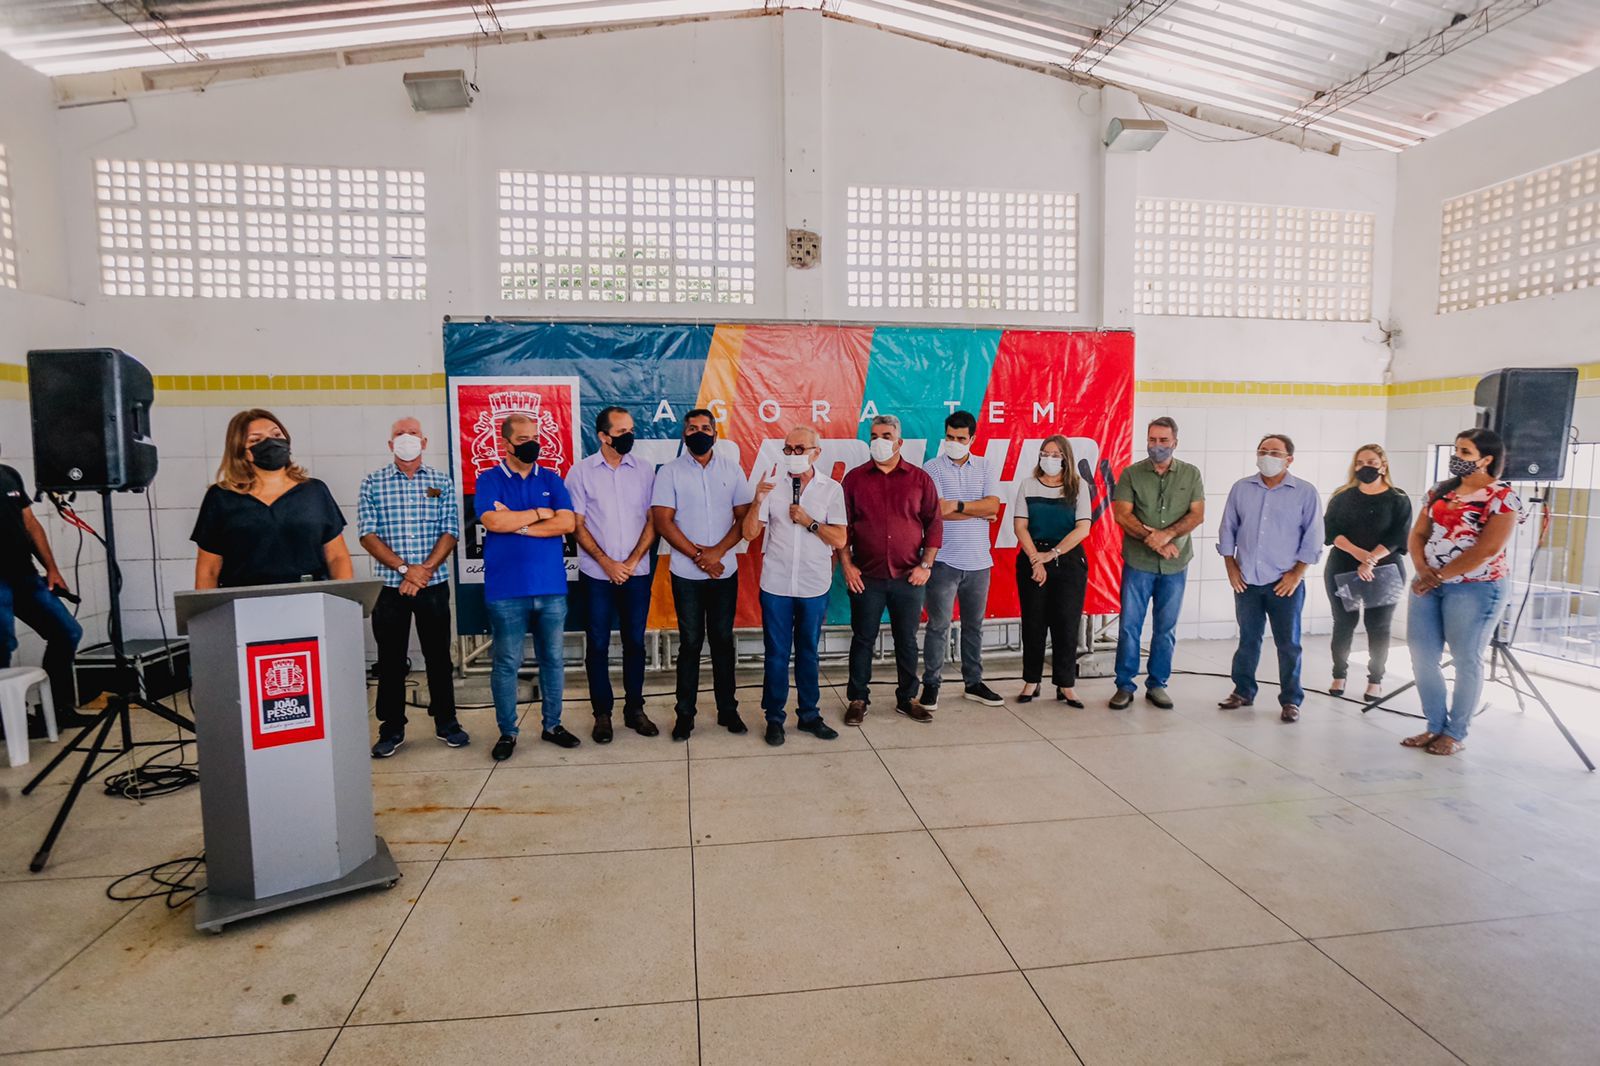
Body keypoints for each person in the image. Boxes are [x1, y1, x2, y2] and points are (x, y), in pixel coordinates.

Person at [1404, 428, 1520, 757]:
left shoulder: (1502, 496)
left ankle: (1455, 732)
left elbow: (1487, 549)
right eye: (1456, 450)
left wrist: (1439, 576)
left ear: (1486, 459)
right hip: (1428, 584)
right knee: (1422, 656)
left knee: (1466, 658)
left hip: (1476, 588)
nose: (1457, 457)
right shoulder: (1440, 491)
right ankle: (1434, 725)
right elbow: (1418, 534)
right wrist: (1423, 570)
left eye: (1465, 452)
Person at [359, 418, 466, 758]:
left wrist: (424, 570)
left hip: (433, 584)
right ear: (391, 444)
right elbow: (367, 535)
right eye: (400, 435)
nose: (407, 439)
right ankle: (391, 728)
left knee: (439, 656)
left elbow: (450, 531)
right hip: (390, 587)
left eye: (413, 434)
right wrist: (406, 570)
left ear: (424, 441)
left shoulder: (440, 482)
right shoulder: (372, 483)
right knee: (390, 660)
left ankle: (447, 722)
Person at [475, 413, 579, 761]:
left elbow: (566, 523)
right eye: (523, 439)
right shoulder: (489, 479)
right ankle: (508, 732)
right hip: (506, 590)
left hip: (551, 588)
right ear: (505, 443)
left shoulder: (551, 478)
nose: (532, 444)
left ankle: (553, 725)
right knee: (507, 663)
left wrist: (517, 524)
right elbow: (492, 520)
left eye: (535, 437)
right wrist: (538, 512)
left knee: (553, 660)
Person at [651, 408, 754, 741]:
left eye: (705, 428)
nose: (699, 433)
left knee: (723, 641)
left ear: (715, 434)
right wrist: (699, 557)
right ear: (684, 434)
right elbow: (663, 521)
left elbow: (743, 517)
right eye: (693, 428)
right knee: (691, 643)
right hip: (686, 573)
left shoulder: (731, 469)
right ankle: (685, 715)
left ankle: (728, 711)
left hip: (724, 571)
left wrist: (716, 553)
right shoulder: (670, 472)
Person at [742, 426, 846, 746]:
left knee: (808, 652)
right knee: (776, 654)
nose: (793, 454)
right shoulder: (772, 486)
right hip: (777, 584)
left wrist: (809, 521)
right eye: (788, 449)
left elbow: (840, 538)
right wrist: (757, 500)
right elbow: (749, 533)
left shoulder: (831, 489)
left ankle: (809, 715)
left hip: (814, 584)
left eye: (800, 449)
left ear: (816, 452)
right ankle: (774, 718)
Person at [840, 415, 941, 726]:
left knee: (907, 640)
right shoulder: (854, 479)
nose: (878, 441)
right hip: (865, 576)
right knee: (863, 639)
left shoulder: (919, 479)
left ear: (899, 442)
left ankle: (907, 698)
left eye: (886, 436)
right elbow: (841, 527)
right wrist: (847, 565)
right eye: (874, 436)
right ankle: (858, 699)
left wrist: (926, 565)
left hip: (909, 577)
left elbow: (934, 524)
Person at [566, 406, 658, 744]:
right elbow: (576, 524)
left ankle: (635, 710)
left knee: (635, 643)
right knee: (598, 644)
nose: (629, 436)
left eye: (631, 430)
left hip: (637, 571)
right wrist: (607, 563)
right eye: (621, 432)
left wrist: (631, 561)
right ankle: (602, 714)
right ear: (603, 436)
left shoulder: (645, 470)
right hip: (596, 574)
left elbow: (654, 521)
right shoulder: (580, 472)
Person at [1216, 434, 1323, 723]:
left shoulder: (1305, 492)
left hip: (1285, 582)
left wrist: (1296, 574)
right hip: (1247, 580)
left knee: (1288, 644)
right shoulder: (1241, 488)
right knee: (1248, 639)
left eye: (1275, 453)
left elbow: (1313, 537)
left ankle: (1291, 700)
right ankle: (1242, 691)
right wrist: (1231, 566)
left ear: (1289, 459)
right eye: (1263, 451)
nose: (1267, 457)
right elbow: (1228, 528)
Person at [193, 409, 352, 590]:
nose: (271, 442)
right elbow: (209, 570)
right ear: (242, 452)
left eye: (276, 435)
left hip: (310, 596)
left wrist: (344, 597)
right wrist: (206, 607)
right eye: (256, 440)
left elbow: (337, 557)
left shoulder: (314, 491)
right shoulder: (221, 497)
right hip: (243, 600)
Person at [1110, 417, 1205, 710]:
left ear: (1175, 442)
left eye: (1163, 440)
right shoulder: (1131, 474)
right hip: (1138, 562)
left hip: (1175, 565)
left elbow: (1197, 514)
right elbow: (1122, 514)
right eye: (1152, 440)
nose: (1157, 445)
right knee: (1129, 626)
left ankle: (1157, 684)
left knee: (1166, 628)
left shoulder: (1190, 474)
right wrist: (1153, 540)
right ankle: (1124, 685)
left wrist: (1167, 536)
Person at [919, 411, 1004, 710]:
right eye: (950, 437)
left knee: (974, 627)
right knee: (938, 626)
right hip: (943, 561)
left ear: (972, 439)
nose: (954, 442)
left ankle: (973, 683)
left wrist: (958, 505)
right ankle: (931, 684)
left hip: (979, 562)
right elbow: (937, 512)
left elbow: (994, 506)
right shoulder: (932, 468)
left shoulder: (985, 466)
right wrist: (978, 510)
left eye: (960, 438)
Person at [1323, 444, 1412, 702]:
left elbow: (1399, 536)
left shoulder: (1398, 498)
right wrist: (1359, 554)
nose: (1365, 467)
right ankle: (1339, 675)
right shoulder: (1342, 496)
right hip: (1343, 567)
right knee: (1343, 623)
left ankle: (1375, 680)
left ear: (1383, 466)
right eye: (1360, 462)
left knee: (1378, 626)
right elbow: (1330, 531)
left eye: (1371, 462)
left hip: (1385, 570)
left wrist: (1371, 559)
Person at [0, 448, 83, 719]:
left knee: (67, 632)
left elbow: (31, 524)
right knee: (3, 643)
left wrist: (52, 569)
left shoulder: (9, 475)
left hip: (24, 575)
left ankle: (58, 709)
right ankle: (7, 718)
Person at [1012, 435, 1093, 706]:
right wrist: (1037, 560)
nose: (1049, 459)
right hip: (1032, 556)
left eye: (1056, 454)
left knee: (1066, 624)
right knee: (1033, 623)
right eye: (1045, 453)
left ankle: (1065, 684)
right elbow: (1020, 526)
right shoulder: (1028, 485)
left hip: (1068, 560)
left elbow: (1083, 528)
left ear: (1066, 458)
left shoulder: (1078, 487)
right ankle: (1031, 681)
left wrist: (1052, 554)